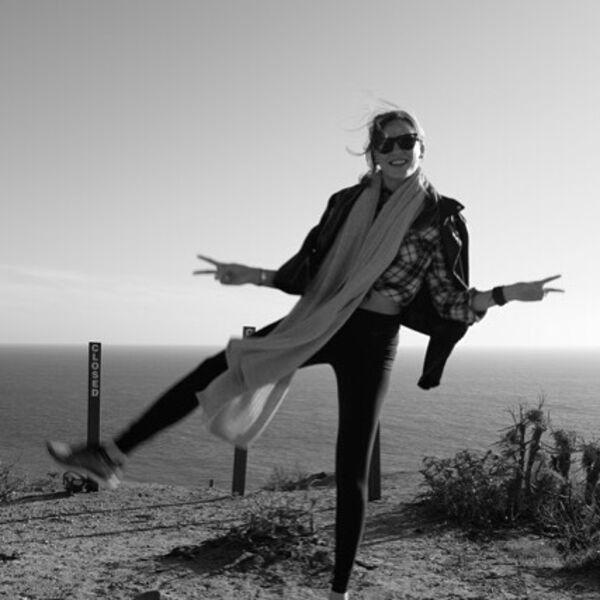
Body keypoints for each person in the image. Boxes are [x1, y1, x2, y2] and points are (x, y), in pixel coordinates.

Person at [48, 108, 563, 600]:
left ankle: (339, 591)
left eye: (408, 140)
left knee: (352, 464)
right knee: (222, 365)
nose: (398, 150)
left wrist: (505, 294)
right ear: (372, 153)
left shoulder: (438, 215)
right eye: (386, 142)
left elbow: (451, 301)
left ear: (422, 147)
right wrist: (253, 275)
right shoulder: (347, 202)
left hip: (375, 338)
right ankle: (110, 455)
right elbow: (310, 271)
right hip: (323, 319)